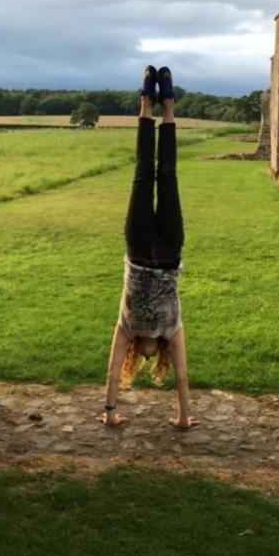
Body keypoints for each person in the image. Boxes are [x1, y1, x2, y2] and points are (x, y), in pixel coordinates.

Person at [97, 66, 199, 430]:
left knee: (149, 173)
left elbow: (113, 371)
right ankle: (162, 104)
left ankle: (149, 104)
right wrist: (184, 417)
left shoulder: (130, 327)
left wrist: (111, 413)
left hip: (145, 248)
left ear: (137, 352)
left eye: (139, 354)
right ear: (158, 355)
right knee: (160, 174)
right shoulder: (169, 330)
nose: (144, 353)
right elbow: (183, 378)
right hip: (164, 250)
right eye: (146, 354)